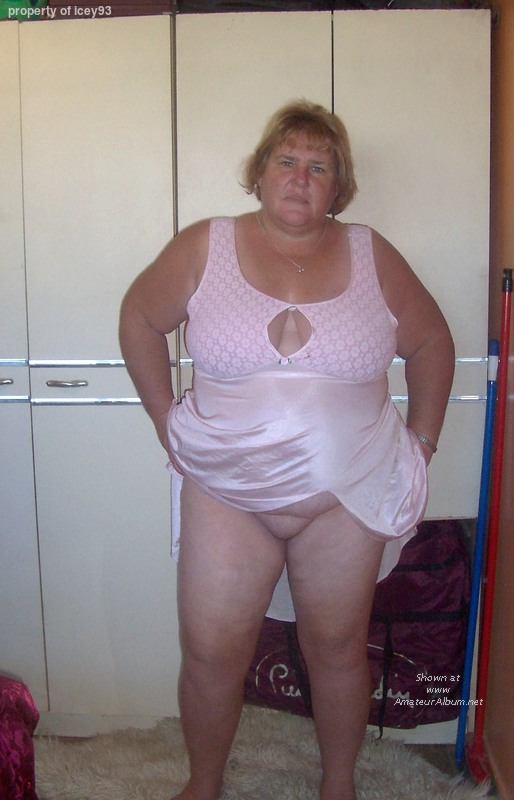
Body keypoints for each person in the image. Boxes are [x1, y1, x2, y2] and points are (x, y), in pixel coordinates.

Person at [119, 100, 455, 800]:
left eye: (319, 167)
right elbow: (140, 319)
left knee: (335, 649)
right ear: (260, 172)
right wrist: (162, 418)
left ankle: (339, 784)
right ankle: (203, 784)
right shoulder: (204, 245)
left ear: (338, 185)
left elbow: (430, 342)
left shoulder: (371, 252)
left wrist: (422, 442)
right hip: (226, 489)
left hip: (346, 494)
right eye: (287, 161)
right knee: (211, 652)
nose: (301, 178)